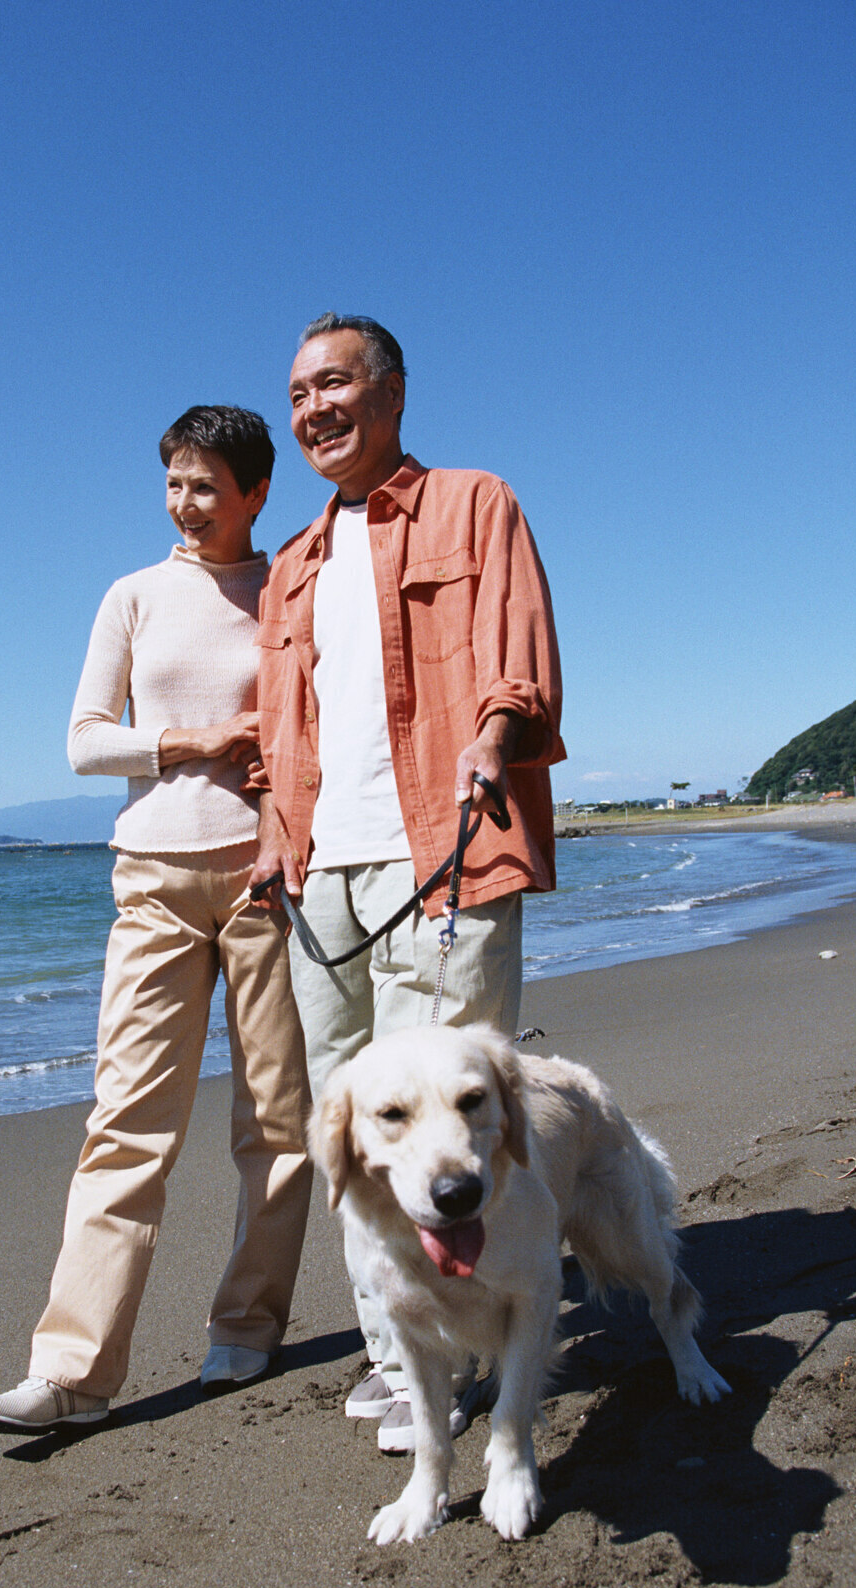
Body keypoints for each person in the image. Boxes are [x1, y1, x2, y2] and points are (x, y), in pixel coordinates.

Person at [250, 314, 564, 1451]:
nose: (311, 408)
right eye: (296, 393)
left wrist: (494, 734)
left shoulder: (476, 503)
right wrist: (272, 838)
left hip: (450, 852)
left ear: (390, 391)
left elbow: (517, 650)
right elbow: (279, 731)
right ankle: (403, 1357)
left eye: (332, 382)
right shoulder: (294, 563)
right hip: (322, 884)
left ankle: (491, 1336)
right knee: (358, 1130)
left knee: (458, 1123)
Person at [0, 405, 314, 1433]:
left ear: (256, 492)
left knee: (278, 1122)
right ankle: (71, 1371)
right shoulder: (132, 594)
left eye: (207, 485)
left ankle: (247, 1327)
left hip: (266, 876)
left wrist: (284, 767)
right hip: (154, 875)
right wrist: (193, 737)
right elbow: (83, 742)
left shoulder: (290, 587)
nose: (185, 502)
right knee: (126, 1121)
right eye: (174, 482)